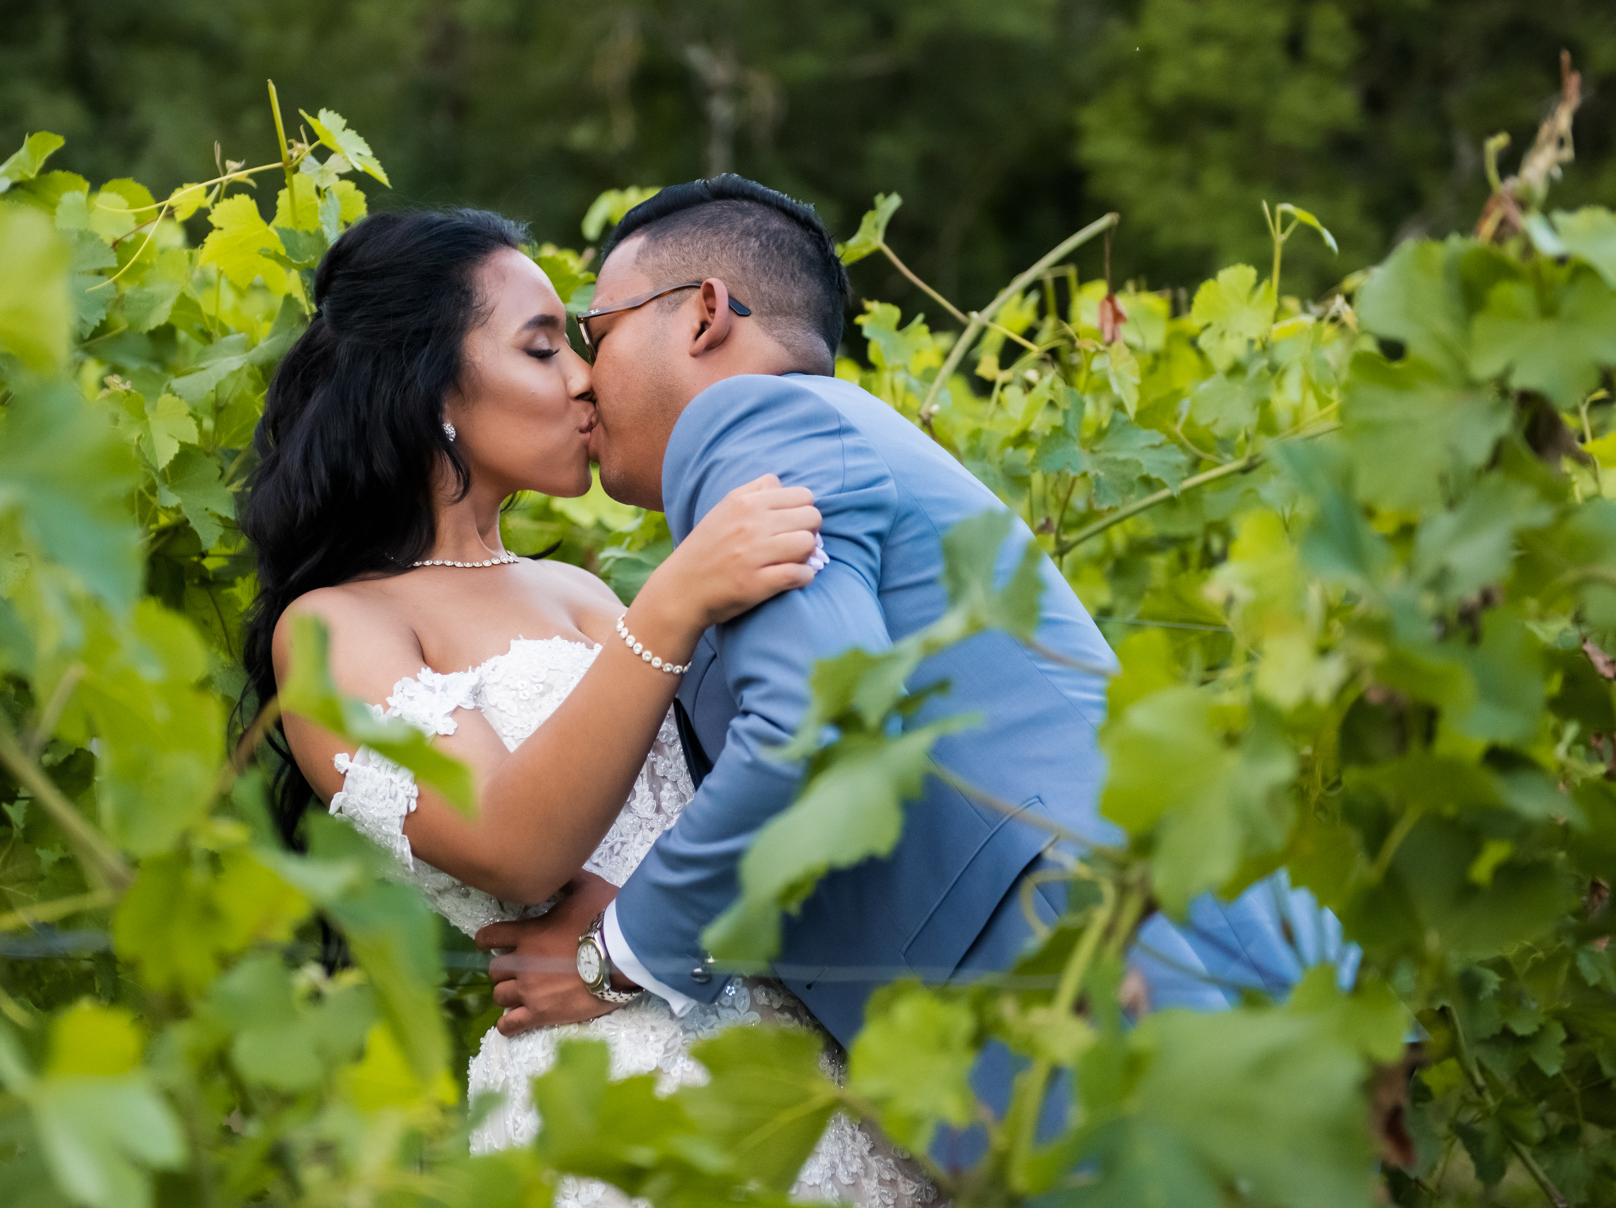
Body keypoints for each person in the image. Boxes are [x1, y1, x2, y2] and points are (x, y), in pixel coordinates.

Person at [475, 176, 1354, 1158]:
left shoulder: (748, 421)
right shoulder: (821, 445)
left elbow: (823, 727)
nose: (584, 379)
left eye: (596, 331)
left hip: (1096, 992)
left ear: (705, 314)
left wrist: (615, 956)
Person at [241, 206, 943, 1206]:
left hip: (795, 1072)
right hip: (612, 1096)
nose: (584, 378)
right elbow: (513, 846)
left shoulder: (576, 590)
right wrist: (674, 599)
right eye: (541, 349)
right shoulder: (333, 628)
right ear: (428, 387)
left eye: (578, 344)